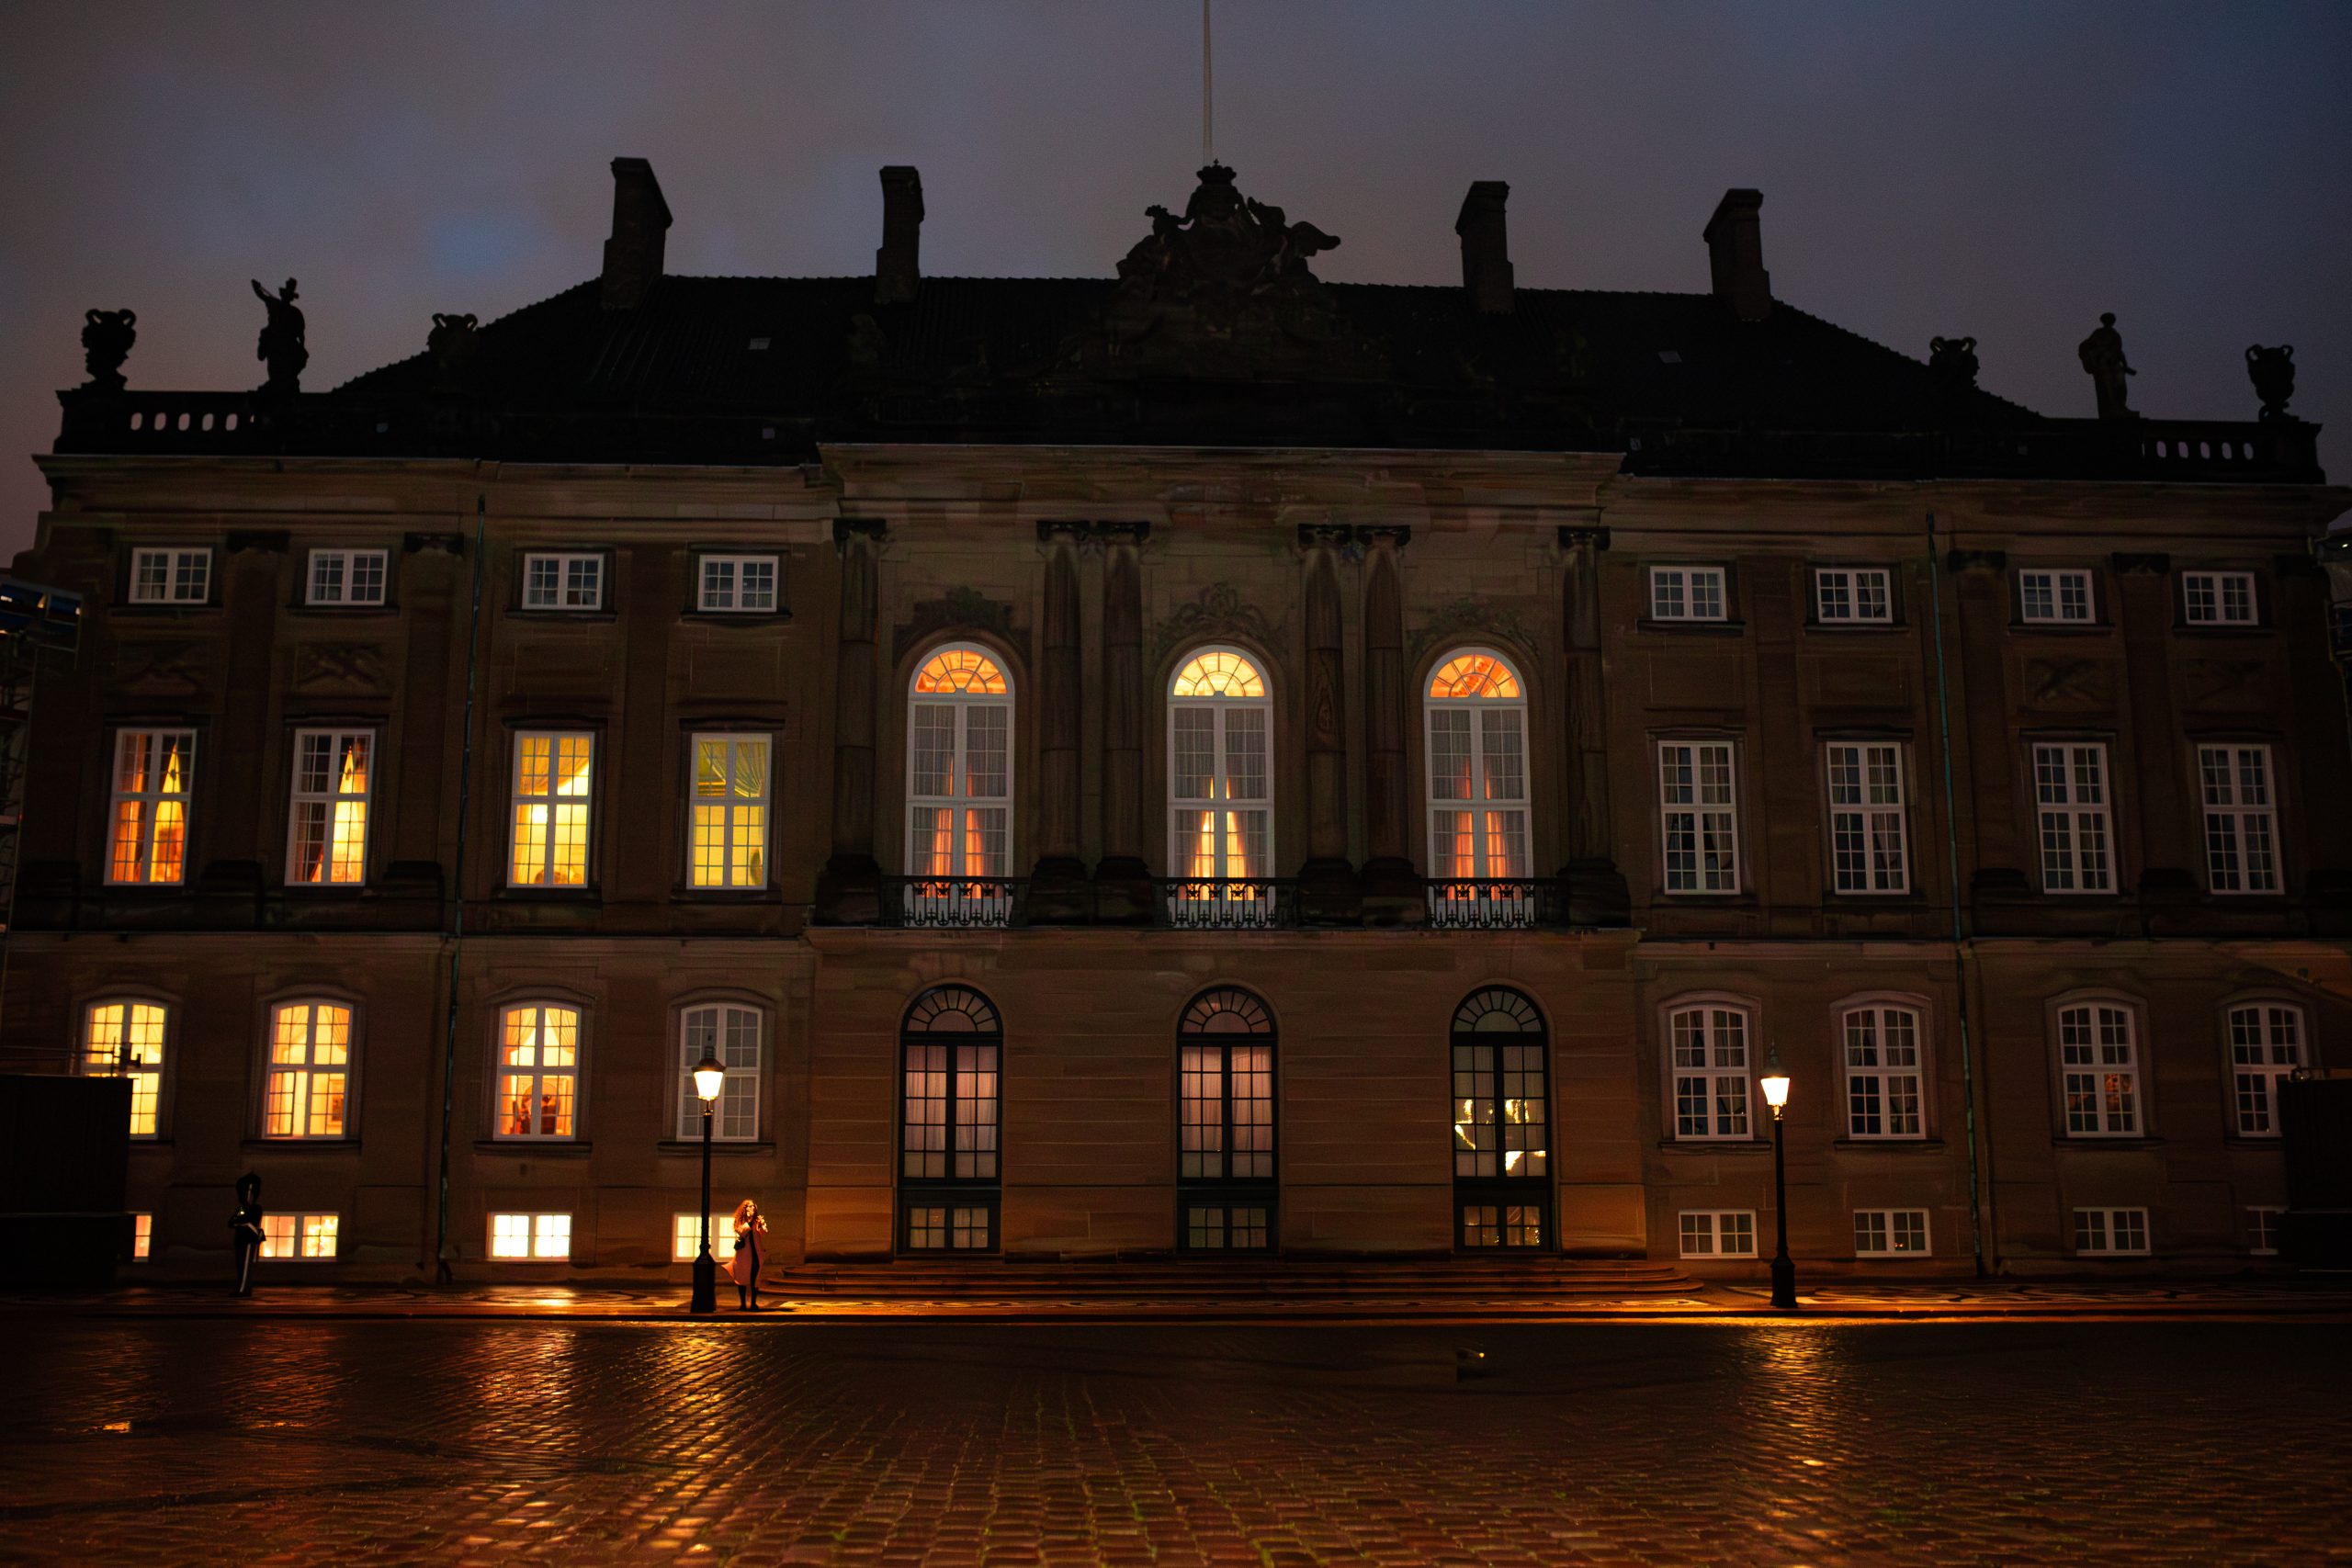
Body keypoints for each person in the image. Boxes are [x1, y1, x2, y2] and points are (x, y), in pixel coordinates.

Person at [728, 1198, 768, 1311]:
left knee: (755, 1279)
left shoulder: (757, 1221)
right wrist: (749, 1221)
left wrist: (762, 1225)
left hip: (756, 1254)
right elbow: (741, 1231)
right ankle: (743, 1304)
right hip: (743, 1255)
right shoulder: (739, 1221)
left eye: (753, 1207)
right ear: (745, 1209)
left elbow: (763, 1233)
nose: (752, 1208)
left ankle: (754, 1303)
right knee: (742, 1279)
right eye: (750, 1207)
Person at [228, 1172, 264, 1297]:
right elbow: (232, 1222)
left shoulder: (256, 1208)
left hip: (249, 1241)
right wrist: (241, 1222)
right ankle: (241, 1288)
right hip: (240, 1240)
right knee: (240, 1266)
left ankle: (244, 1290)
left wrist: (241, 1222)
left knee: (246, 1266)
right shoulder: (242, 1209)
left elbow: (250, 1223)